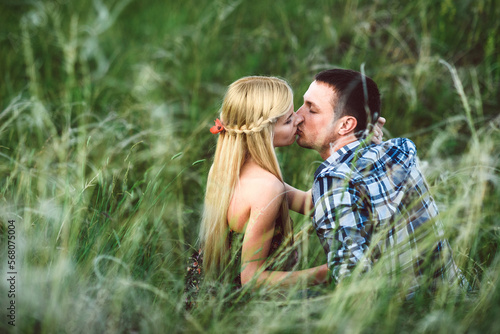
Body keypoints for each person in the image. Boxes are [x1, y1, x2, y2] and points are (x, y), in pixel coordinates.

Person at [295, 68, 465, 293]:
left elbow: (351, 278)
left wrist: (263, 281)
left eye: (312, 110)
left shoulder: (333, 180)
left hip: (405, 317)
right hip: (457, 301)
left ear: (345, 125)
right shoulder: (401, 151)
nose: (297, 116)